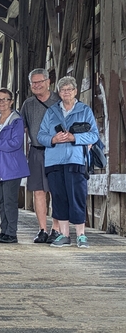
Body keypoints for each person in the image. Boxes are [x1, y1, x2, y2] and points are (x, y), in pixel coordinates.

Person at [37, 76, 99, 248]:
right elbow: (40, 136)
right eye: (63, 90)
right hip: (54, 161)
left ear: (75, 91)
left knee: (77, 196)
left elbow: (94, 135)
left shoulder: (84, 110)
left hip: (75, 159)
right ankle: (64, 235)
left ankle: (81, 235)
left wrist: (74, 137)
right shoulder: (51, 112)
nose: (66, 92)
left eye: (69, 89)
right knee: (59, 198)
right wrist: (53, 139)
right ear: (59, 92)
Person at [20, 68, 61, 244]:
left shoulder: (59, 100)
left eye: (40, 82)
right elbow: (21, 129)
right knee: (38, 191)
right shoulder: (28, 104)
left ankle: (56, 229)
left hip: (58, 151)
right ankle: (42, 229)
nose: (37, 85)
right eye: (33, 83)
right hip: (36, 150)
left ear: (48, 82)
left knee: (57, 191)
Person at [0, 88, 30, 244]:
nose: (2, 102)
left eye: (5, 99)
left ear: (11, 101)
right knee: (2, 201)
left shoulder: (16, 120)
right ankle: (4, 230)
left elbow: (15, 143)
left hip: (11, 166)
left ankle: (12, 233)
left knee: (10, 201)